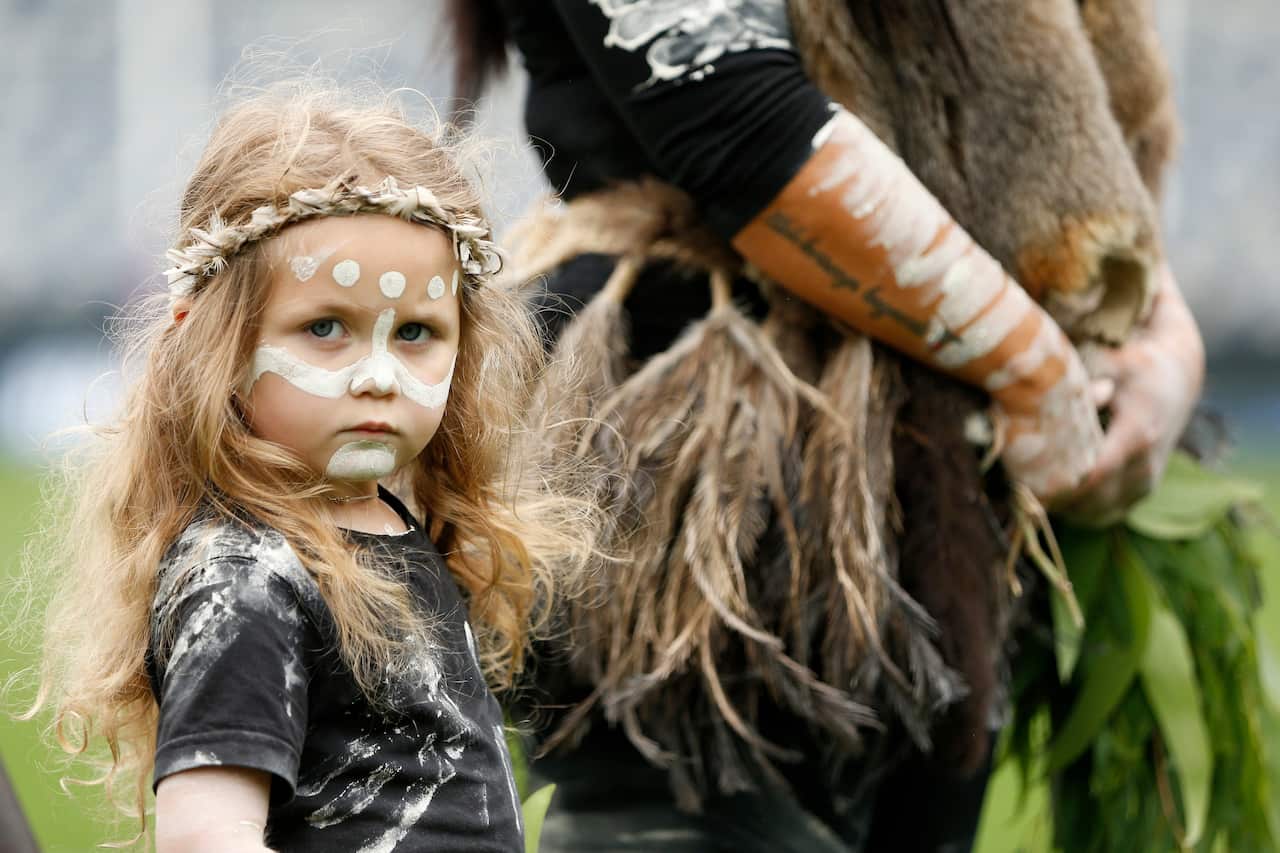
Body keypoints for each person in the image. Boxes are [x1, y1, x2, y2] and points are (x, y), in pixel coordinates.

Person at [449, 2, 1205, 851]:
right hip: (698, 461)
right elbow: (739, 125)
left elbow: (1059, 104)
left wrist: (1159, 332)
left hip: (947, 471)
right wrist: (1038, 371)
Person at [27, 81, 601, 852]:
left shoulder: (397, 522)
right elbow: (207, 836)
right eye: (325, 327)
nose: (378, 373)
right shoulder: (247, 573)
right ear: (214, 348)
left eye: (417, 333)